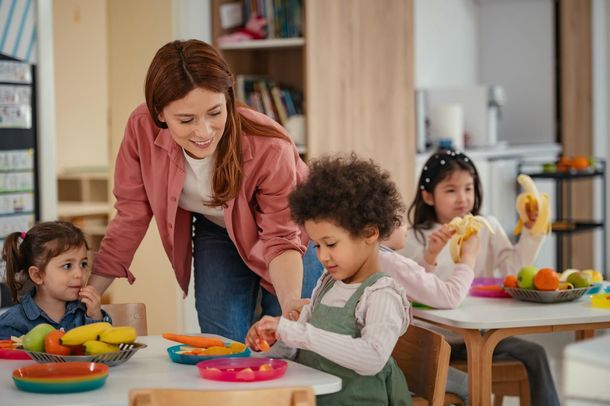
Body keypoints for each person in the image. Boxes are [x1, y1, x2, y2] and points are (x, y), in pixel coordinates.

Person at [87, 39, 321, 343]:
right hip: (218, 231)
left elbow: (281, 237)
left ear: (228, 98)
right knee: (222, 344)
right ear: (159, 113)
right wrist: (92, 291)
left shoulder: (270, 147)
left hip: (295, 240)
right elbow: (131, 212)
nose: (204, 131)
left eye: (215, 112)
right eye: (186, 120)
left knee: (289, 343)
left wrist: (290, 302)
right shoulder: (141, 128)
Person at [246, 154, 412, 405]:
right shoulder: (328, 284)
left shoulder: (381, 295)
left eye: (331, 244)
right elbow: (300, 349)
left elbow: (372, 358)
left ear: (369, 233)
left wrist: (298, 332)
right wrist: (272, 344)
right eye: (316, 246)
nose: (323, 256)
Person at [401, 148, 559, 405]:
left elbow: (513, 271)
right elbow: (409, 286)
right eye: (451, 190)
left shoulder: (487, 228)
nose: (462, 198)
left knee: (535, 354)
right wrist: (430, 255)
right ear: (428, 196)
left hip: (483, 337)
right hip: (435, 340)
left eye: (468, 188)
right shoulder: (415, 237)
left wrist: (531, 233)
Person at [0, 221, 110, 339]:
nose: (79, 274)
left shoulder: (87, 311)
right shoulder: (12, 324)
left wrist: (95, 317)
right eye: (67, 266)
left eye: (83, 264)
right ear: (37, 275)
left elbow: (104, 351)